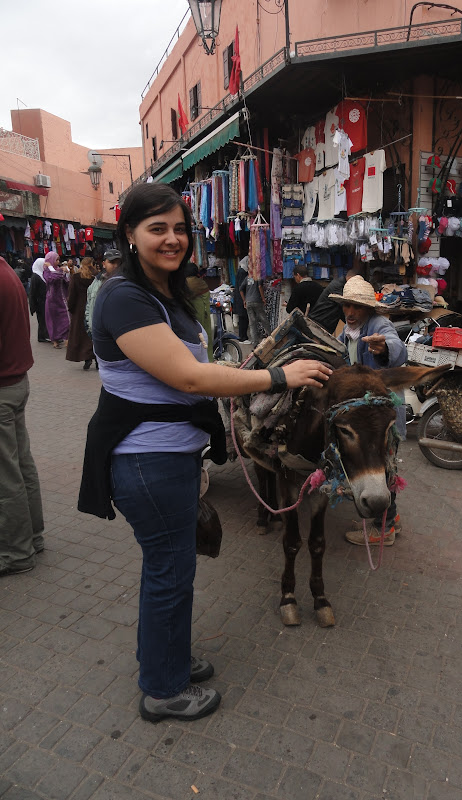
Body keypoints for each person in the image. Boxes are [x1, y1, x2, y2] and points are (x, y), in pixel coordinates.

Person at [77, 183, 331, 723]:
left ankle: (163, 659)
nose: (172, 239)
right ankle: (163, 689)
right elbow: (191, 377)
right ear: (130, 233)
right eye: (157, 228)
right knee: (170, 572)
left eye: (179, 229)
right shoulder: (125, 297)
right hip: (147, 460)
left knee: (168, 569)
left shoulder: (162, 293)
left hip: (167, 458)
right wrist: (280, 374)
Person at [329, 275, 407, 547]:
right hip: (365, 419)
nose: (350, 312)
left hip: (381, 418)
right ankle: (390, 520)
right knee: (379, 465)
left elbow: (397, 348)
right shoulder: (346, 332)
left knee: (382, 468)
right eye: (347, 306)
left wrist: (384, 347)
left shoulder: (378, 325)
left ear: (368, 309)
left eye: (357, 307)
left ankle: (384, 528)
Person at [0, 257, 45, 576]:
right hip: (15, 382)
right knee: (21, 464)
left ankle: (16, 552)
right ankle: (32, 537)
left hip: (3, 386)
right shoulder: (7, 272)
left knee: (6, 474)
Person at [66, 257, 97, 370]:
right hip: (94, 307)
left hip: (79, 309)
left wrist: (71, 308)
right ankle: (97, 358)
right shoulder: (96, 277)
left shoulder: (76, 277)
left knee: (82, 335)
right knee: (94, 333)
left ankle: (86, 358)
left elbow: (72, 294)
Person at [308, 267, 360, 333]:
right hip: (319, 322)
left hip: (323, 324)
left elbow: (343, 311)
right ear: (351, 278)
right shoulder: (338, 286)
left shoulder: (342, 285)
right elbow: (344, 306)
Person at [85, 249, 122, 336]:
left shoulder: (127, 283)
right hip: (98, 335)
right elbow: (89, 306)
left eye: (119, 263)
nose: (116, 266)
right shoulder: (96, 283)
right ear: (104, 264)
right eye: (112, 262)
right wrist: (89, 327)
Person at [185, 262, 213, 360]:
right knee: (206, 340)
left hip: (193, 318)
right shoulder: (201, 282)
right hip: (205, 316)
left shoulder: (186, 283)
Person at [43, 252, 70, 349]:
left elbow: (66, 281)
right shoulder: (46, 271)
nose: (58, 262)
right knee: (53, 320)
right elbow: (52, 279)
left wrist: (67, 272)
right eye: (56, 260)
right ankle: (55, 341)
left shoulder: (59, 270)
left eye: (58, 259)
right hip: (52, 300)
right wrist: (51, 268)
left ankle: (66, 339)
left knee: (66, 319)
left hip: (61, 299)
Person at [239, 271, 272, 348]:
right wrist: (263, 299)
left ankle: (255, 342)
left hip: (248, 302)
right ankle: (271, 336)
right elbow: (260, 287)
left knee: (252, 322)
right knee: (263, 319)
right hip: (257, 301)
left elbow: (240, 289)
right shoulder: (258, 277)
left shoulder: (247, 278)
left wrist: (244, 300)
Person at [29, 258, 50, 342]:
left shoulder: (42, 275)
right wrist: (32, 306)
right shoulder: (35, 277)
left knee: (45, 319)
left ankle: (43, 336)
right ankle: (43, 336)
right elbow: (32, 292)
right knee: (42, 319)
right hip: (39, 302)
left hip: (44, 301)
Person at [232, 255, 250, 343]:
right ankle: (243, 337)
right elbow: (242, 286)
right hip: (241, 297)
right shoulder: (243, 272)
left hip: (240, 297)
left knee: (243, 317)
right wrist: (244, 299)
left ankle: (243, 336)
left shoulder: (241, 270)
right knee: (243, 318)